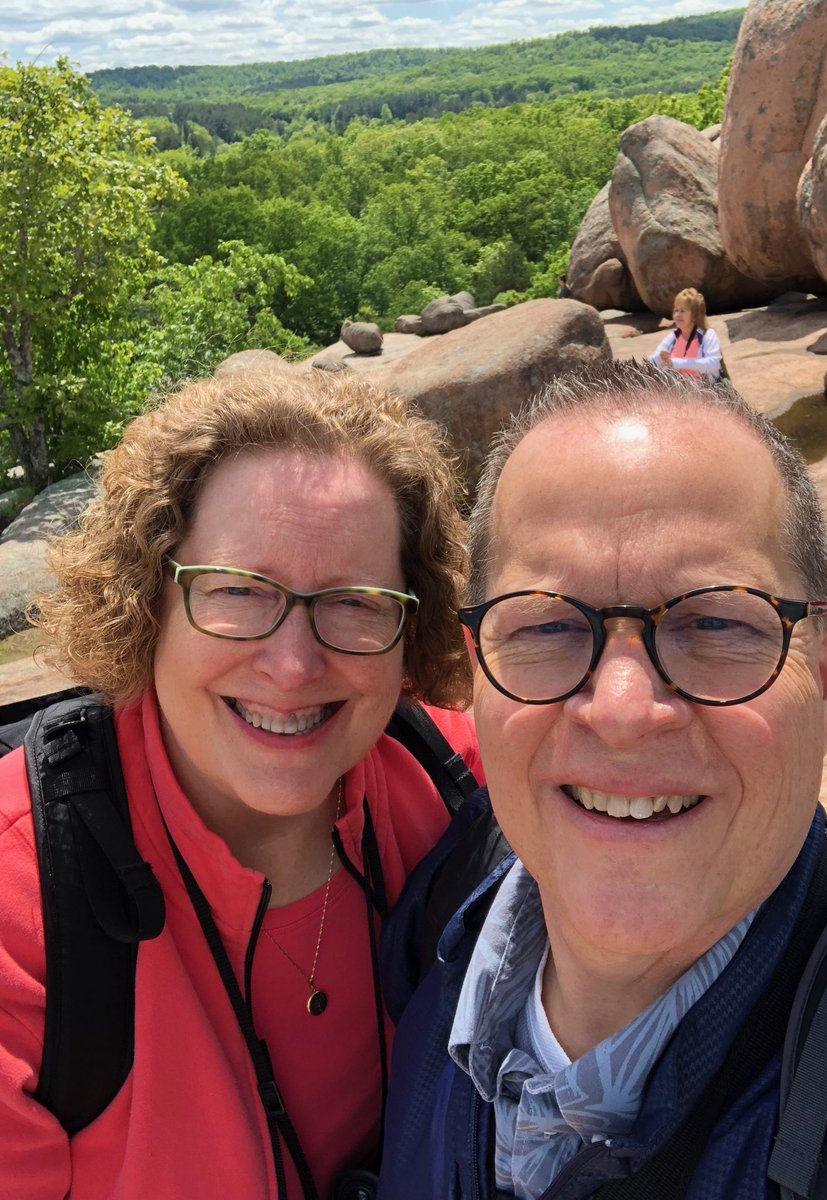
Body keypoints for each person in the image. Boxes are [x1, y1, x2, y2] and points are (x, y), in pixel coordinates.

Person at [378, 361, 827, 1198]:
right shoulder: (436, 912)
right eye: (547, 624)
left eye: (717, 620)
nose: (622, 710)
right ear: (475, 673)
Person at [0, 370, 484, 1200]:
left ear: (413, 628)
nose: (293, 666)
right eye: (235, 592)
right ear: (145, 599)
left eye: (356, 603)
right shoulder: (25, 912)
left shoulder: (455, 784)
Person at [647, 286, 722, 380]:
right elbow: (648, 364)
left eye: (683, 311)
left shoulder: (706, 334)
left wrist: (677, 363)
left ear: (695, 314)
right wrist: (659, 357)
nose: (678, 315)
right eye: (676, 310)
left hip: (705, 391)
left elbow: (714, 364)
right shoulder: (673, 337)